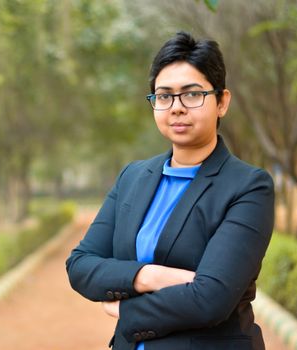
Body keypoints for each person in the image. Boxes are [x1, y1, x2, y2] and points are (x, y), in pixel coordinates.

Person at [66, 31, 274, 350]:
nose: (176, 107)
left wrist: (124, 309)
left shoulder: (248, 186)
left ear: (222, 102)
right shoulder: (133, 177)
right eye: (164, 96)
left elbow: (211, 299)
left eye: (192, 94)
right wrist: (150, 276)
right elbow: (80, 265)